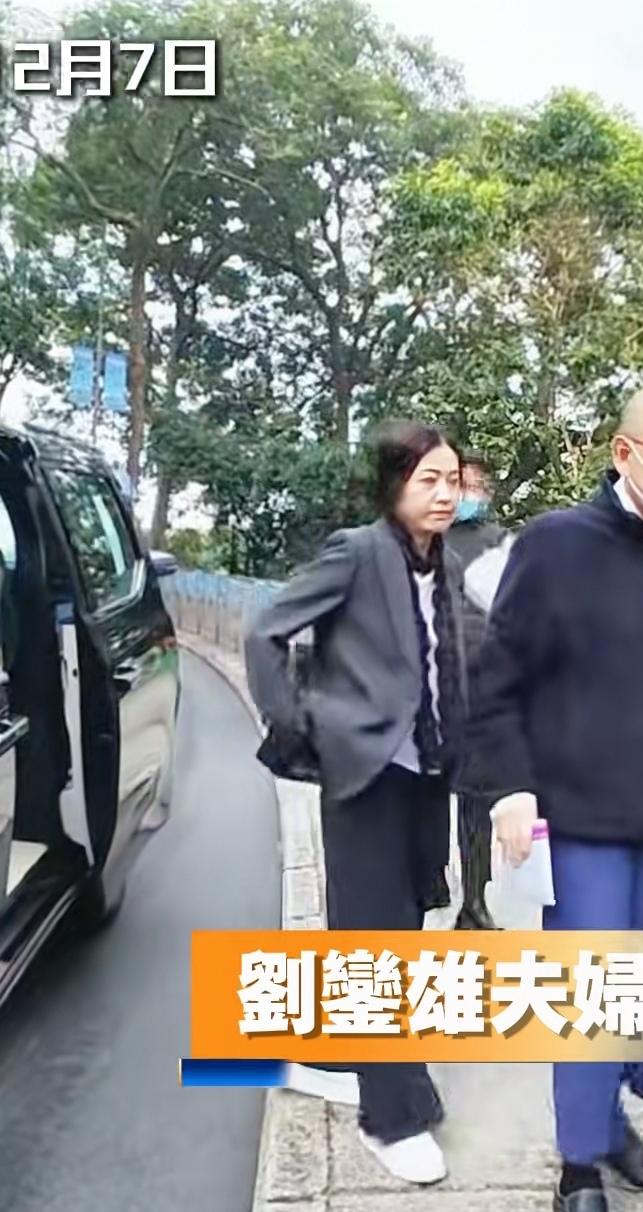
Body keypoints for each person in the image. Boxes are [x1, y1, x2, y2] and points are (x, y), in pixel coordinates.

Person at [465, 386, 643, 1212]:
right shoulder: (556, 544)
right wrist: (510, 788)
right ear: (626, 454)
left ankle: (613, 1102)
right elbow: (498, 679)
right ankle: (582, 1164)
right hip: (586, 818)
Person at [244, 420, 467, 1186]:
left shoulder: (445, 563)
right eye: (428, 479)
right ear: (394, 485)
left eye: (452, 480)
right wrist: (299, 724)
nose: (444, 494)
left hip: (427, 775)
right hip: (367, 773)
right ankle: (390, 1118)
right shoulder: (357, 552)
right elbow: (266, 632)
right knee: (375, 942)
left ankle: (352, 1059)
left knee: (403, 927)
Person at [444, 451, 508, 929]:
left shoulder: (499, 543)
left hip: (486, 689)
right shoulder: (425, 539)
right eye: (464, 483)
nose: (473, 492)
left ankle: (474, 900)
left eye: (480, 485)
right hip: (433, 686)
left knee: (476, 802)